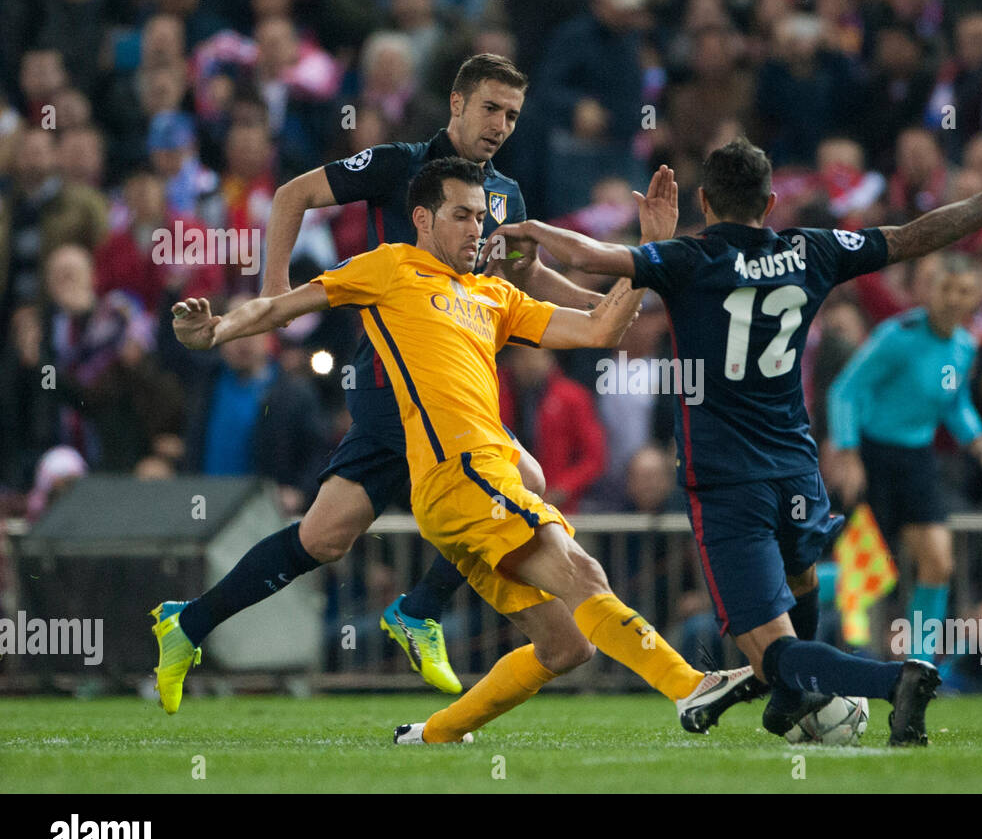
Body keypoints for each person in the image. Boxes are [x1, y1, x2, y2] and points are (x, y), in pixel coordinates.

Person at [493, 138, 982, 744]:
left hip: (725, 481)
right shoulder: (811, 250)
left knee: (768, 650)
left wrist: (534, 230)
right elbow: (916, 235)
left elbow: (592, 257)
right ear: (770, 202)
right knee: (800, 585)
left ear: (705, 201)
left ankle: (894, 678)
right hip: (797, 468)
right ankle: (794, 699)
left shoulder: (689, 258)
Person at [170, 157, 756, 743]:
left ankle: (433, 735)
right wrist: (217, 331)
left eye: (481, 216)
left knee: (564, 644)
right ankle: (689, 687)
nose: (476, 228)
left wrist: (650, 253)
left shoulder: (495, 295)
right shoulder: (390, 268)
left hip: (469, 492)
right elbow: (280, 306)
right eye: (461, 215)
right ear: (422, 219)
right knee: (582, 571)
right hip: (463, 474)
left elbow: (600, 328)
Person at [148, 54, 626, 710]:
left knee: (323, 536)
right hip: (390, 377)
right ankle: (421, 610)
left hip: (453, 381)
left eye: (512, 115)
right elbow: (293, 195)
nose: (501, 125)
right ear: (456, 103)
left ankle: (189, 623)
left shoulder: (505, 195)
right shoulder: (399, 165)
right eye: (490, 108)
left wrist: (603, 307)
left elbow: (525, 276)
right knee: (523, 483)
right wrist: (272, 296)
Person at [825, 253, 982, 660]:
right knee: (865, 574)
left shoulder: (966, 346)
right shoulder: (898, 336)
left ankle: (919, 665)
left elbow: (954, 404)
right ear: (930, 292)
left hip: (918, 459)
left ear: (975, 299)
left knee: (938, 563)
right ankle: (795, 596)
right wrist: (849, 454)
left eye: (963, 292)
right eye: (945, 288)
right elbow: (844, 390)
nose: (952, 299)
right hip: (874, 457)